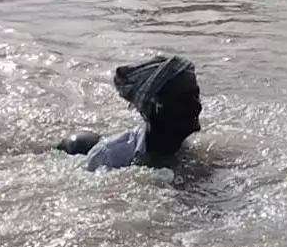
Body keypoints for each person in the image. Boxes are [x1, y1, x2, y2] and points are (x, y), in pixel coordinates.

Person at [55, 54, 203, 171]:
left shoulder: (192, 151)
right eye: (183, 100)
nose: (198, 107)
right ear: (154, 107)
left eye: (196, 96)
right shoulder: (111, 157)